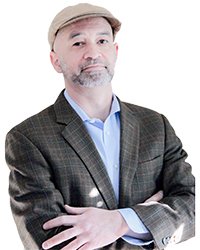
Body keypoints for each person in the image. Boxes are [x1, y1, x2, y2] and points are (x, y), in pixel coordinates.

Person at [5, 3, 195, 250]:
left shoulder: (156, 125)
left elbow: (192, 206)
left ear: (115, 51)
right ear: (55, 61)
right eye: (78, 43)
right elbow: (51, 241)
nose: (93, 53)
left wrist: (122, 221)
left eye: (102, 41)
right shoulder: (27, 138)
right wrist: (149, 218)